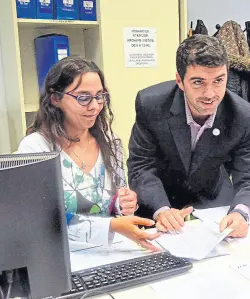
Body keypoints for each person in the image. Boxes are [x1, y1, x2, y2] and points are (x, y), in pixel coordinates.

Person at [127, 34, 250, 237]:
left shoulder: (243, 115)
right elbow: (141, 166)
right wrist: (162, 210)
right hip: (160, 199)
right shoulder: (151, 104)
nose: (210, 94)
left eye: (219, 80)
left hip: (212, 200)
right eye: (198, 82)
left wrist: (241, 212)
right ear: (179, 81)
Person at [18, 56, 160, 251]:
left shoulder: (110, 142)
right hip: (60, 256)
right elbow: (40, 223)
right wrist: (110, 226)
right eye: (83, 97)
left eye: (100, 96)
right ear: (55, 98)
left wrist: (122, 203)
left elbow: (115, 203)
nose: (94, 106)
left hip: (109, 250)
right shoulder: (35, 149)